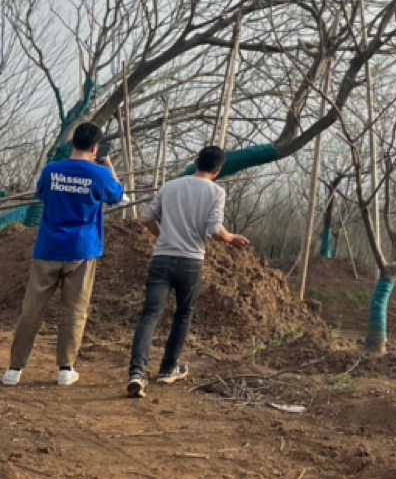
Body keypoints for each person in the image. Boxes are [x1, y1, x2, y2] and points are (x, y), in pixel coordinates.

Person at [3, 121, 124, 387]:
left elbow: (41, 193)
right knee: (74, 310)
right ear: (95, 147)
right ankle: (65, 369)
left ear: (72, 144)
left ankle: (14, 369)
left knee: (32, 309)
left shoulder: (51, 170)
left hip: (47, 248)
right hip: (81, 250)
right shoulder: (99, 175)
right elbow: (118, 196)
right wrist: (107, 165)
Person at [126, 144, 249, 397]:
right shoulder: (216, 191)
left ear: (195, 163)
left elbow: (147, 219)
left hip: (161, 258)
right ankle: (167, 369)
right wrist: (231, 238)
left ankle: (136, 373)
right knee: (183, 315)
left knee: (150, 314)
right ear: (217, 170)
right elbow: (215, 230)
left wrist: (163, 237)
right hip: (190, 262)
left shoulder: (170, 186)